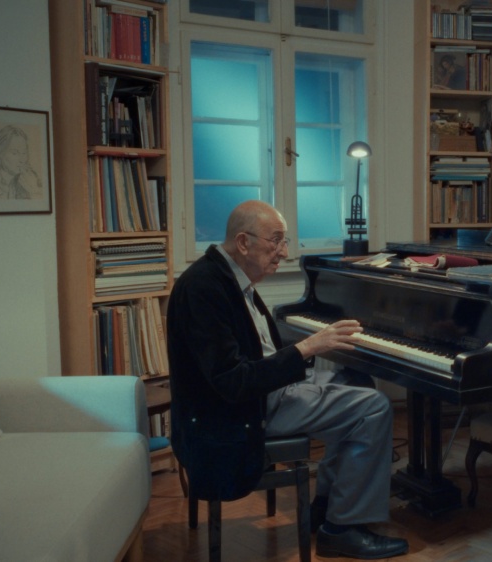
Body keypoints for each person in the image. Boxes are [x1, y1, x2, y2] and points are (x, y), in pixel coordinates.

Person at [167, 200, 409, 560]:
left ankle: (326, 506)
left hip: (258, 397)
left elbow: (257, 350)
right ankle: (343, 530)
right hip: (235, 416)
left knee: (357, 383)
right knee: (373, 407)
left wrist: (307, 350)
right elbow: (233, 381)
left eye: (286, 241)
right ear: (243, 242)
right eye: (276, 241)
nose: (285, 251)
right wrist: (308, 347)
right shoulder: (205, 288)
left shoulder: (226, 276)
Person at [0, 124, 42, 199]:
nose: (22, 160)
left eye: (24, 153)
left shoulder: (28, 183)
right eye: (14, 153)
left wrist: (35, 191)